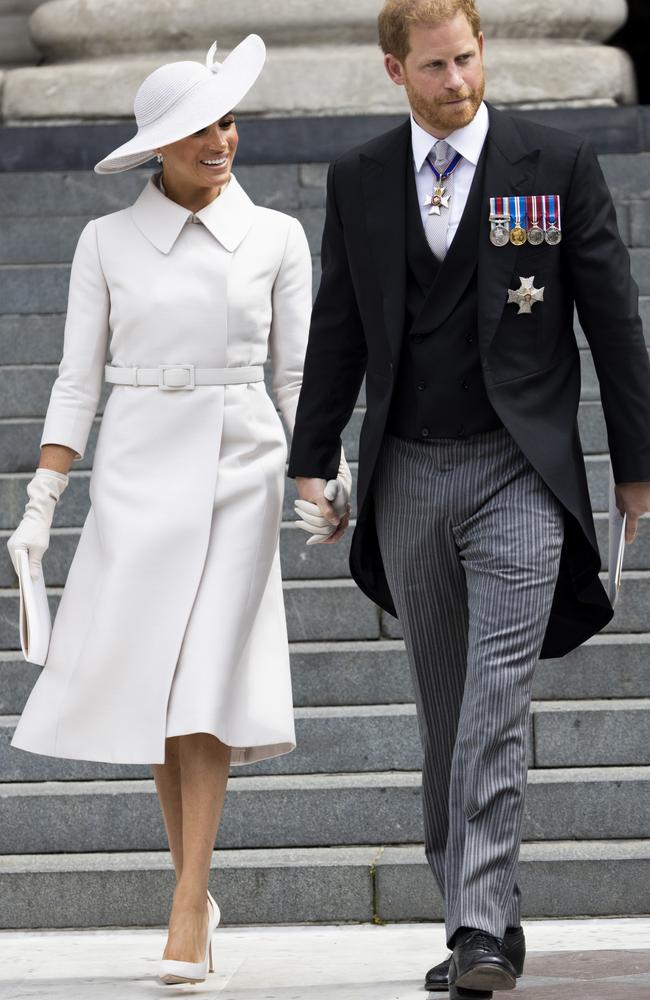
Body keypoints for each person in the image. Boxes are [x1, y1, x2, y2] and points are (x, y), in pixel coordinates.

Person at [288, 1, 650, 997]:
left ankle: (481, 925)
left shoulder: (555, 165)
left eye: (466, 59)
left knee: (495, 703)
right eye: (434, 67)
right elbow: (338, 323)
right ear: (392, 69)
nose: (456, 81)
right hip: (406, 470)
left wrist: (633, 461)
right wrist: (309, 457)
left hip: (517, 473)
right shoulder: (358, 178)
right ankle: (471, 909)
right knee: (443, 710)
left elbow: (613, 322)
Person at [6, 34, 347, 986]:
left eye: (228, 121)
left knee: (203, 687)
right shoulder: (104, 241)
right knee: (161, 689)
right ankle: (192, 888)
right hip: (136, 472)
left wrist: (324, 474)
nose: (220, 141)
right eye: (198, 128)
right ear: (158, 144)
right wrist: (42, 505)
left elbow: (296, 376)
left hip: (242, 467)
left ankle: (188, 902)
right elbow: (76, 382)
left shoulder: (277, 236)